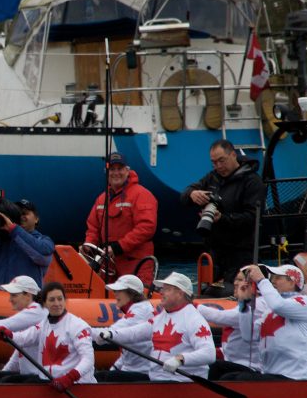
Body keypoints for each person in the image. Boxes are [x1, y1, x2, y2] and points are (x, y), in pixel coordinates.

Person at [96, 271, 215, 381]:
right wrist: (111, 334)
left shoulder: (194, 320)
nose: (161, 293)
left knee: (111, 378)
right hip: (157, 381)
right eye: (162, 289)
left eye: (167, 289)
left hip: (181, 382)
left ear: (180, 293)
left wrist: (180, 359)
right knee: (102, 377)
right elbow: (134, 333)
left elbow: (209, 353)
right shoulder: (160, 318)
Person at [181, 139, 266, 290]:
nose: (218, 166)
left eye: (222, 161)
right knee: (210, 291)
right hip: (215, 252)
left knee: (236, 291)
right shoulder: (212, 177)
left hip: (241, 252)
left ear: (233, 155)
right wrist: (192, 194)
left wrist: (222, 219)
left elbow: (252, 218)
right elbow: (184, 196)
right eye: (214, 162)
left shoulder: (252, 182)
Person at [0, 282, 96, 389]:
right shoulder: (44, 324)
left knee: (9, 383)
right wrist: (9, 335)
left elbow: (88, 359)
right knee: (4, 379)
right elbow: (24, 338)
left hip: (76, 384)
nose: (57, 303)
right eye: (52, 300)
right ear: (44, 304)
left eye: (60, 299)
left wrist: (70, 377)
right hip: (50, 381)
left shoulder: (77, 326)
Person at [227, 264, 307, 380]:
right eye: (271, 278)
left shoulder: (304, 302)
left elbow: (278, 305)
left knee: (243, 379)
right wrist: (244, 304)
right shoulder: (269, 310)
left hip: (296, 377)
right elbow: (248, 335)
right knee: (227, 376)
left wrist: (261, 280)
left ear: (292, 282)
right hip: (271, 374)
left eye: (277, 278)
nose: (272, 281)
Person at [82, 152, 158, 286]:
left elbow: (146, 228)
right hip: (109, 264)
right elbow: (93, 227)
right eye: (112, 169)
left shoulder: (142, 195)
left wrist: (119, 247)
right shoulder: (101, 199)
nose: (116, 173)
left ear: (127, 171)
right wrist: (89, 247)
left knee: (136, 301)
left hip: (136, 263)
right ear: (107, 172)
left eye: (120, 169)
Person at [0, 198, 54, 289]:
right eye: (18, 214)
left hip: (25, 301)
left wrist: (13, 229)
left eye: (25, 213)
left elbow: (42, 255)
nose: (21, 217)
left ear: (36, 219)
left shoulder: (43, 240)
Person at [198, 270, 264, 380]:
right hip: (233, 361)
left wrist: (191, 305)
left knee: (213, 368)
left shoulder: (258, 305)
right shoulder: (244, 305)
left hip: (249, 367)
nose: (235, 283)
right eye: (236, 279)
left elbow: (219, 317)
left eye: (240, 280)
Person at [94, 274, 156, 382]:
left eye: (119, 291)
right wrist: (115, 368)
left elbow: (111, 333)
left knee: (98, 378)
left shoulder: (140, 312)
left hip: (142, 373)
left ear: (131, 293)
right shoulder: (139, 308)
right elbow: (125, 353)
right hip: (133, 369)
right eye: (115, 291)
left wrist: (80, 331)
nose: (115, 294)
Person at [0, 275, 44, 379]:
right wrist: (2, 373)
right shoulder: (33, 315)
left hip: (40, 378)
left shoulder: (37, 311)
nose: (10, 299)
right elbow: (18, 354)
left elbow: (6, 324)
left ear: (28, 295)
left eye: (14, 295)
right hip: (32, 375)